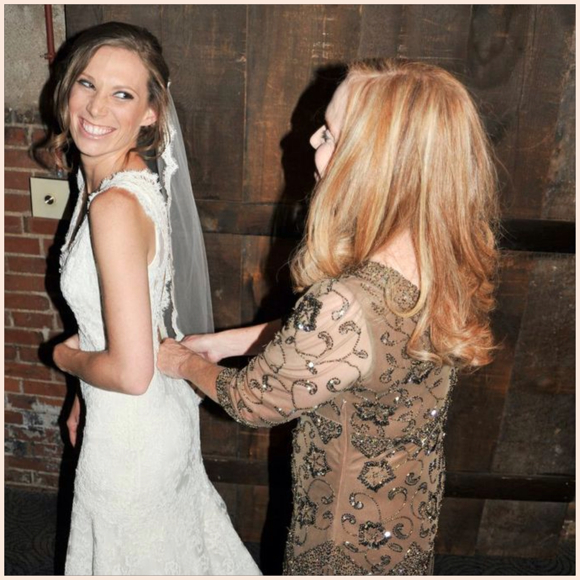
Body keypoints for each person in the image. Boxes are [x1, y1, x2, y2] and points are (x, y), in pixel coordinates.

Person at [157, 58, 499, 575]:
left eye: (331, 135)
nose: (311, 141)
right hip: (408, 503)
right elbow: (345, 349)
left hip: (346, 531)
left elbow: (252, 400)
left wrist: (182, 362)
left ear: (378, 166)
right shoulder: (442, 255)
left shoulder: (345, 302)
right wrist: (228, 342)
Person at [51, 21, 260, 575]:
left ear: (150, 113)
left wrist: (64, 357)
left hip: (131, 440)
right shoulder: (115, 177)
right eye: (87, 84)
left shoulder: (114, 206)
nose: (96, 108)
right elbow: (133, 320)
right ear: (67, 88)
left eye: (122, 94)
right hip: (145, 416)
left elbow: (131, 371)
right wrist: (82, 395)